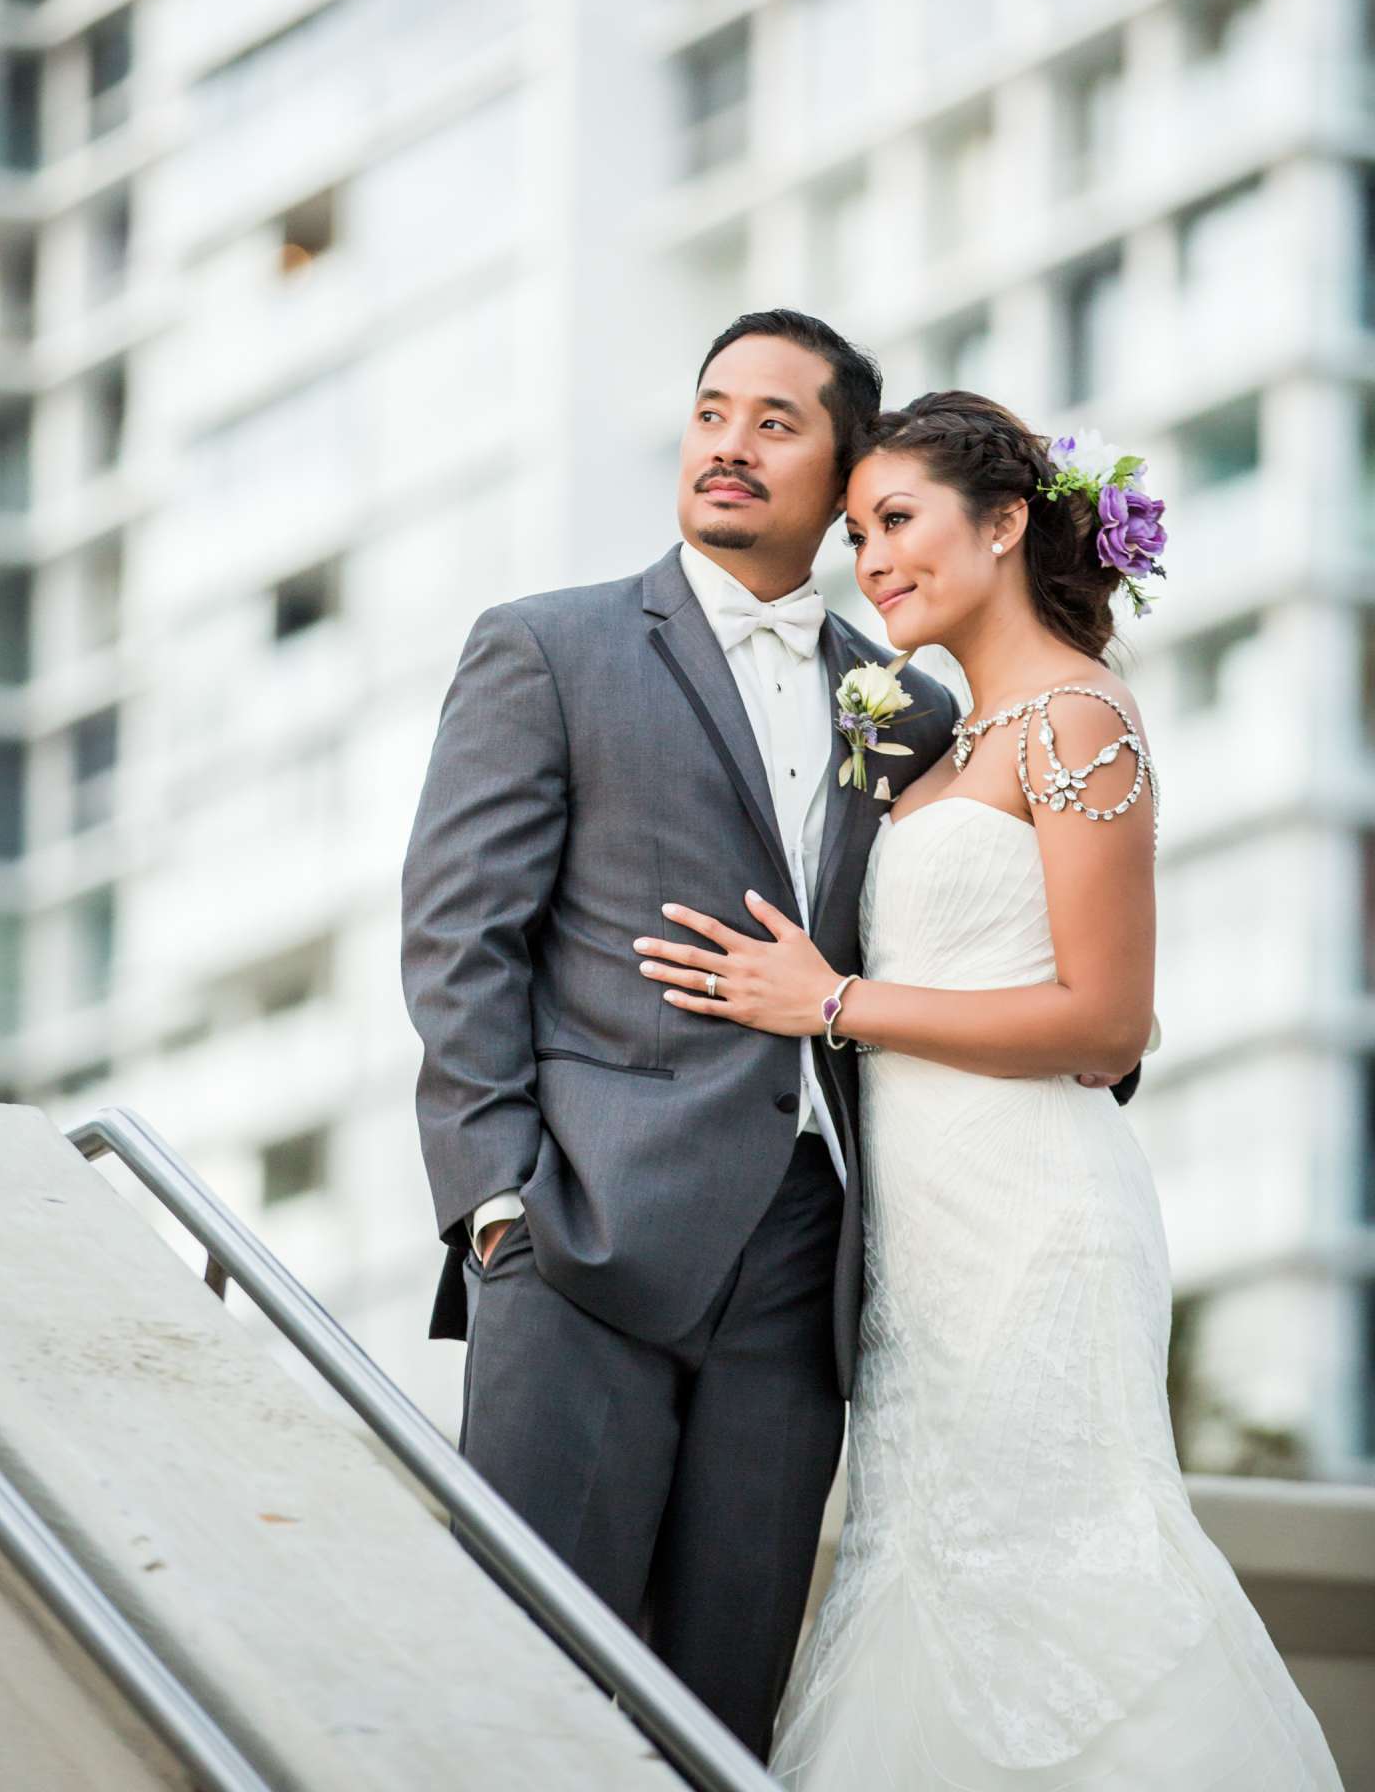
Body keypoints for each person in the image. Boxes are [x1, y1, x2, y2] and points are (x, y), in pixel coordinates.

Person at [638, 389, 1342, 1789]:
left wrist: (828, 1003)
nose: (873, 559)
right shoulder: (945, 740)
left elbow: (1109, 1016)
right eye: (858, 533)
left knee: (1058, 1565)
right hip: (924, 1239)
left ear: (1008, 522)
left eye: (898, 521)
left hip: (1036, 1217)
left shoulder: (1078, 720)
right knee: (931, 1566)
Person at [401, 310, 967, 1755]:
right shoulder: (550, 645)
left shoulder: (902, 702)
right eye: (713, 410)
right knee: (526, 1703)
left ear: (845, 473)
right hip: (579, 1239)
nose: (728, 441)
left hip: (801, 1271)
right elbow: (462, 934)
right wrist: (495, 1205)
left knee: (720, 1718)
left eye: (776, 421)